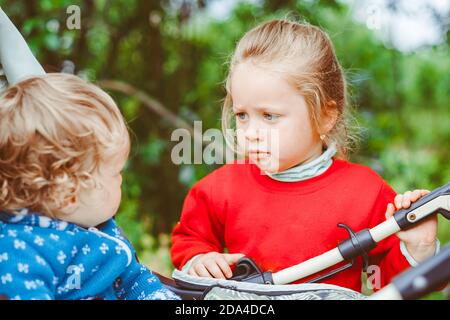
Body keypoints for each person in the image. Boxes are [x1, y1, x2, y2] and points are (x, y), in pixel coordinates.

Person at [170, 19, 440, 292]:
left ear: (324, 116)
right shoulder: (220, 188)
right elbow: (189, 239)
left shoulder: (366, 193)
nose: (250, 132)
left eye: (269, 116)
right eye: (242, 115)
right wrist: (200, 259)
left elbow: (389, 286)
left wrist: (419, 246)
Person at [0, 8, 179, 300]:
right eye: (115, 173)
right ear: (69, 193)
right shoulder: (20, 254)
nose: (121, 180)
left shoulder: (102, 229)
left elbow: (136, 280)